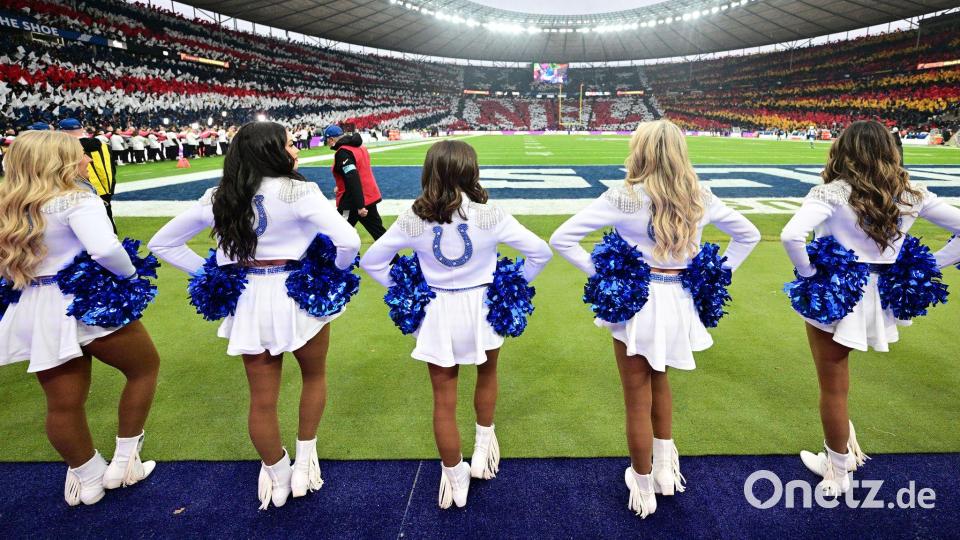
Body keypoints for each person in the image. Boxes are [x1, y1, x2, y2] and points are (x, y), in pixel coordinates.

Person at [550, 120, 761, 518]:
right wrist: (713, 273)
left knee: (636, 397)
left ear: (640, 151)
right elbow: (747, 235)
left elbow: (562, 238)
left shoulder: (624, 197)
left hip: (636, 302)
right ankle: (664, 471)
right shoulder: (699, 195)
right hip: (679, 301)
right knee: (661, 381)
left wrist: (605, 275)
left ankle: (643, 484)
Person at [148, 121, 361, 510]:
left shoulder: (218, 195)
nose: (295, 150)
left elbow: (162, 243)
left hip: (247, 298)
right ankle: (305, 460)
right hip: (298, 295)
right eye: (291, 144)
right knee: (314, 376)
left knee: (261, 399)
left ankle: (277, 474)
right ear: (271, 151)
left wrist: (210, 272)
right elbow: (349, 239)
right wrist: (338, 269)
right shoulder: (300, 190)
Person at [359, 140, 552, 509]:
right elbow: (540, 252)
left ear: (429, 171)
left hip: (437, 310)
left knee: (443, 399)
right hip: (483, 308)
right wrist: (511, 284)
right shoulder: (489, 214)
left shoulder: (413, 217)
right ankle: (483, 448)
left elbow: (372, 262)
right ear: (470, 170)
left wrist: (407, 290)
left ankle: (454, 476)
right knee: (487, 373)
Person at [780, 120, 960, 497]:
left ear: (843, 150)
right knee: (837, 385)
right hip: (882, 296)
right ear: (890, 151)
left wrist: (810, 272)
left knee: (833, 386)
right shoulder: (911, 195)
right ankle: (839, 456)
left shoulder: (829, 193)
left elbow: (791, 235)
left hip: (835, 297)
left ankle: (839, 471)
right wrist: (928, 264)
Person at [0, 131, 160, 506]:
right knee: (144, 368)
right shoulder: (76, 198)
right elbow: (105, 248)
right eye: (78, 154)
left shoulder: (8, 205)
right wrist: (130, 275)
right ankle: (124, 461)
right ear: (57, 161)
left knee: (62, 403)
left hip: (35, 305)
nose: (87, 160)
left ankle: (88, 478)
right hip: (86, 300)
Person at [325, 125, 387, 241]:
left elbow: (352, 177)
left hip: (353, 201)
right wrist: (340, 185)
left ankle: (348, 258)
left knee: (339, 235)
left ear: (331, 139)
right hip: (368, 196)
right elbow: (359, 170)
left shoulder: (343, 152)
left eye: (327, 141)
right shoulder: (360, 147)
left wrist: (360, 205)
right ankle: (396, 259)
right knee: (379, 233)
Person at [58, 118, 118, 231]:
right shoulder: (103, 144)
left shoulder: (68, 148)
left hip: (83, 188)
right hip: (106, 187)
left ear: (63, 132)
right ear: (82, 128)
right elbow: (112, 168)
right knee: (107, 216)